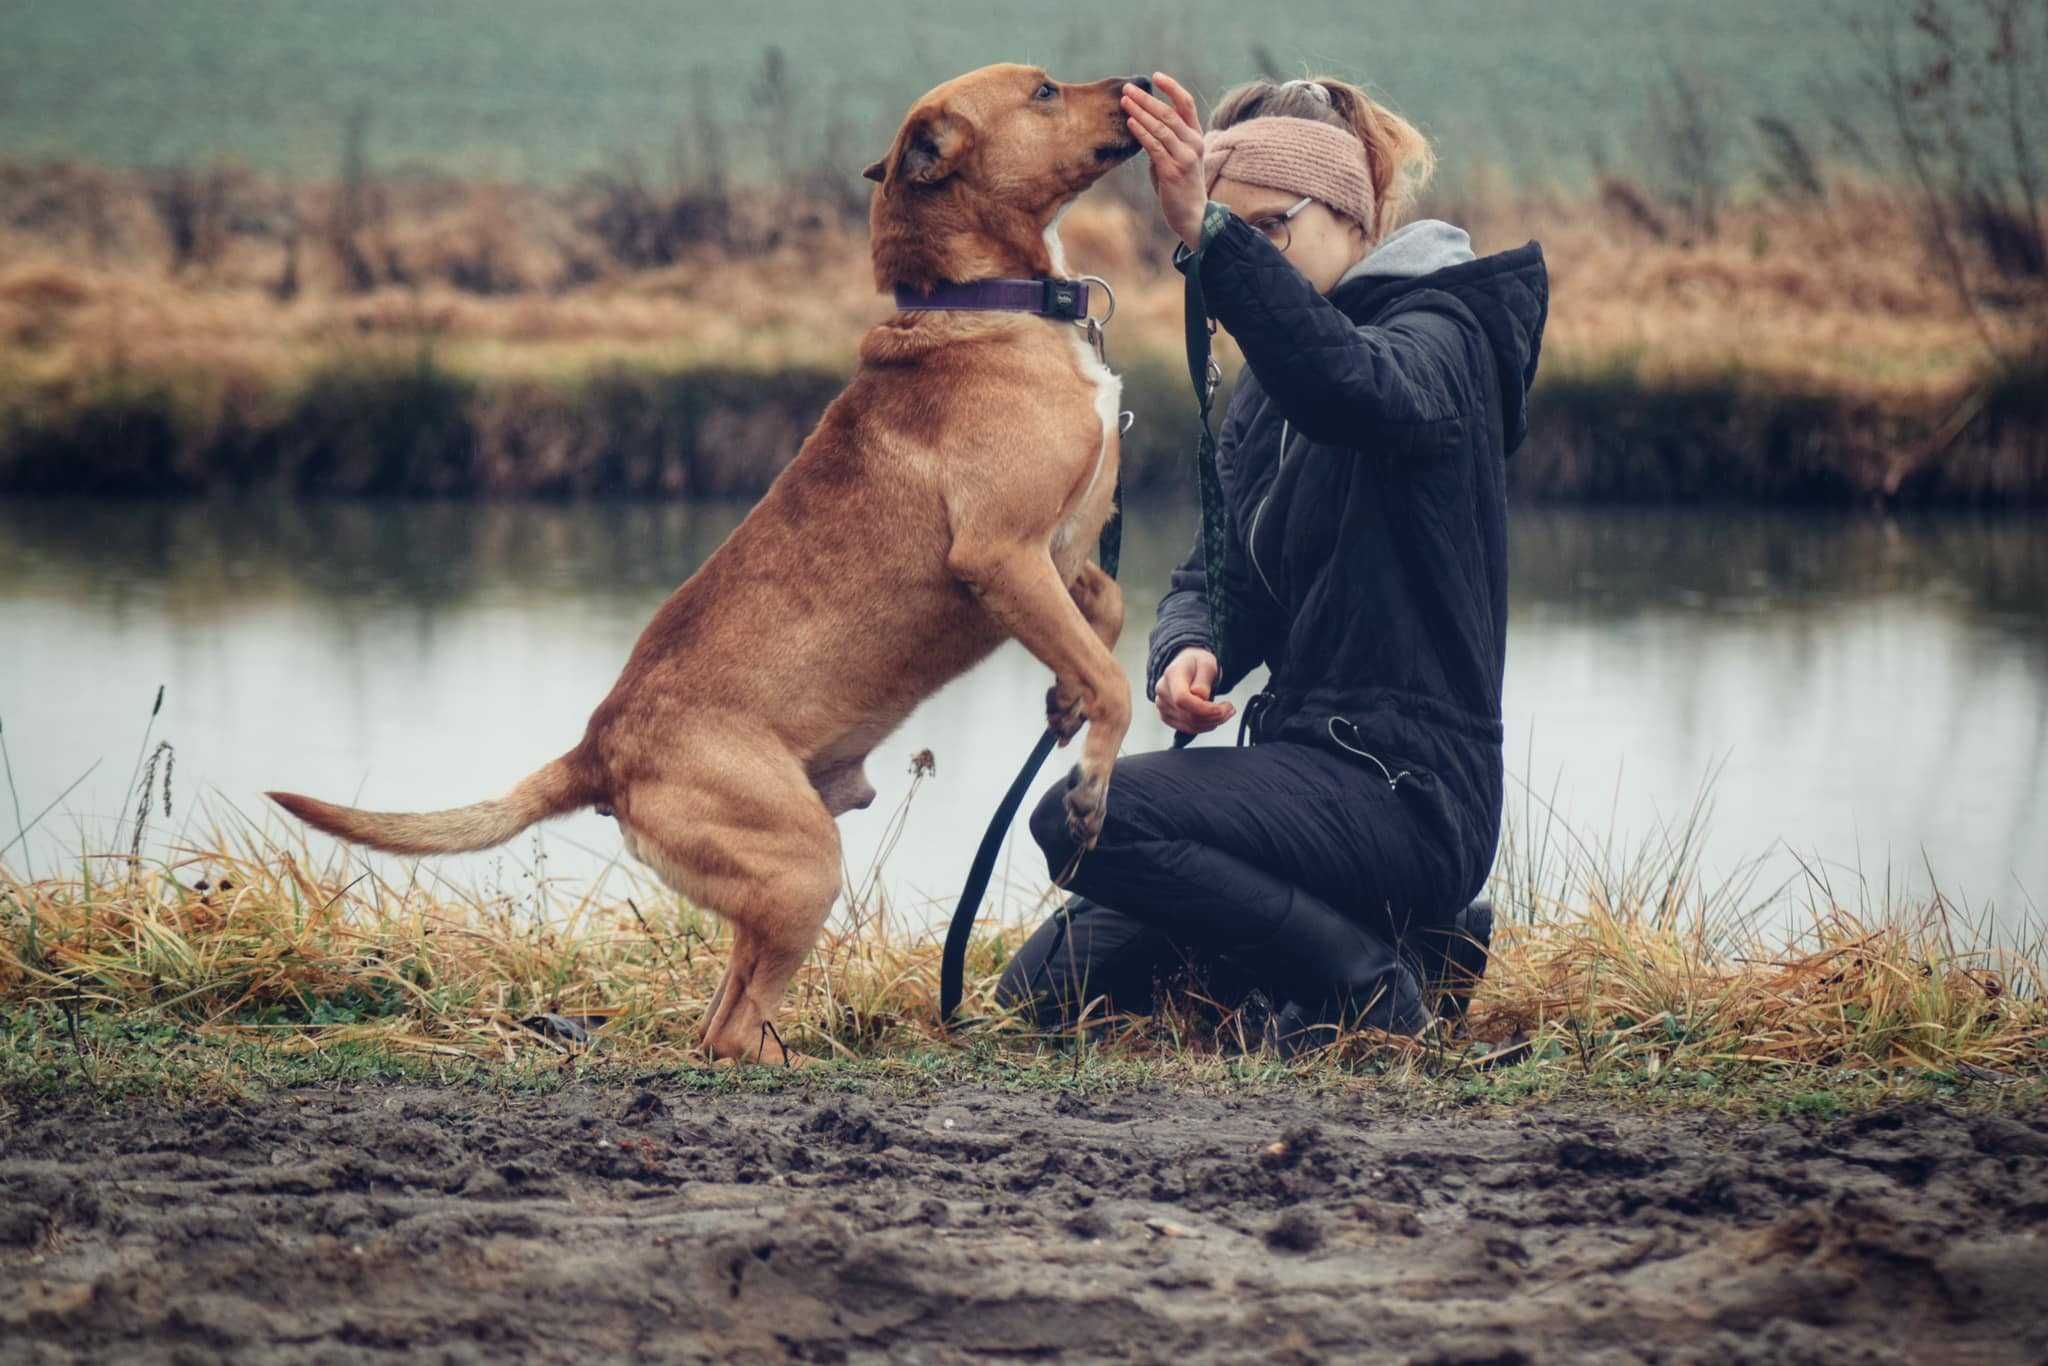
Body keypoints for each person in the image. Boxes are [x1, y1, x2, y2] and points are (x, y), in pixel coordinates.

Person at [995, 71, 1548, 1048]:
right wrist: (1189, 649)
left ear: (1346, 217)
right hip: (1299, 778)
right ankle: (1425, 943)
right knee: (1039, 989)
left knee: (1083, 822)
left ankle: (1365, 981)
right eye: (1224, 235)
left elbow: (1346, 386)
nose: (1238, 262)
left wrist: (1208, 238)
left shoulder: (1441, 338)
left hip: (1406, 793)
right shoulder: (1263, 398)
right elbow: (1217, 574)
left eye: (1263, 231)